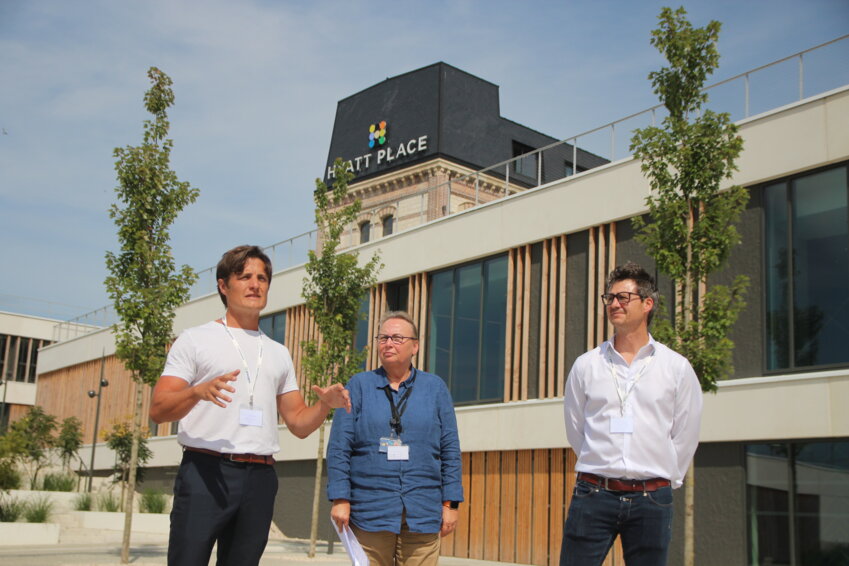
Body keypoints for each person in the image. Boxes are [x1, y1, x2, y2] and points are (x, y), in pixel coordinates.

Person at [149, 245, 351, 566]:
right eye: (244, 277)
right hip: (206, 472)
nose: (255, 284)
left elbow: (298, 423)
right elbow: (159, 408)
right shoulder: (195, 339)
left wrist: (324, 405)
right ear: (223, 285)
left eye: (262, 278)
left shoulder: (278, 352)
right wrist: (197, 392)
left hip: (260, 477)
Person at [560, 262, 703, 566]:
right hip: (593, 494)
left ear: (647, 304)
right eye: (609, 298)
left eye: (623, 297)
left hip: (652, 499)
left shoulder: (675, 367)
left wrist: (664, 479)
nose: (613, 304)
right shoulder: (586, 365)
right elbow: (576, 428)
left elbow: (686, 432)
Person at [327, 311, 463, 566]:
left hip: (423, 510)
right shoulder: (358, 386)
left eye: (397, 338)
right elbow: (339, 448)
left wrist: (451, 504)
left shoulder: (435, 389)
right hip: (370, 511)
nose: (388, 343)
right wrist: (340, 498)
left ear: (415, 346)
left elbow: (450, 450)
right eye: (383, 338)